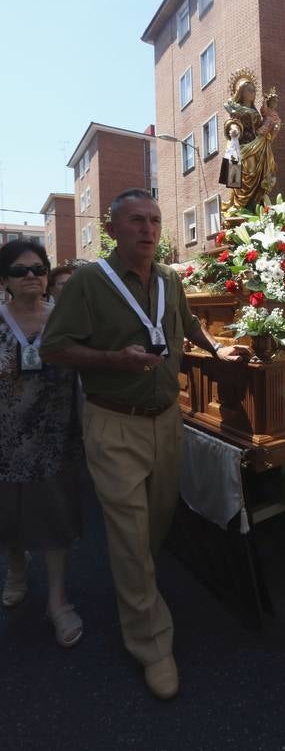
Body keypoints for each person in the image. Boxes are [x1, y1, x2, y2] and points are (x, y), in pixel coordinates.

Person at [41, 189, 250, 700]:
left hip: (165, 422)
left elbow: (187, 325)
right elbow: (54, 348)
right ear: (113, 228)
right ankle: (151, 642)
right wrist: (114, 360)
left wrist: (214, 346)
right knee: (132, 538)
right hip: (113, 423)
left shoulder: (169, 279)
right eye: (137, 219)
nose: (149, 228)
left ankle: (138, 591)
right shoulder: (90, 281)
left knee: (154, 527)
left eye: (154, 220)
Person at [0, 241, 83, 647]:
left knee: (54, 519)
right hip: (4, 439)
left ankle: (57, 601)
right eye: (20, 270)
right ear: (5, 281)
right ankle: (16, 569)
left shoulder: (66, 321)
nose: (31, 275)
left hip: (56, 438)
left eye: (38, 268)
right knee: (8, 514)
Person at [222, 68, 278, 213]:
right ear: (241, 91)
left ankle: (257, 204)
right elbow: (232, 122)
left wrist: (273, 130)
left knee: (259, 179)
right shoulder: (236, 108)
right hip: (243, 147)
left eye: (253, 90)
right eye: (249, 90)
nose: (252, 92)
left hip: (258, 146)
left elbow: (262, 130)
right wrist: (234, 130)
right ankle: (242, 206)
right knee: (247, 173)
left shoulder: (255, 112)